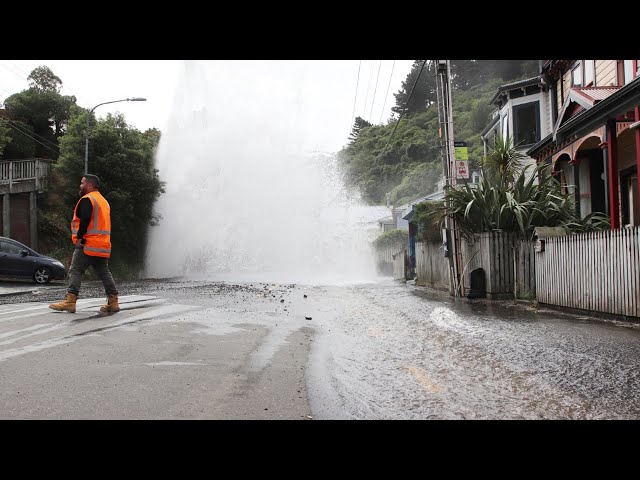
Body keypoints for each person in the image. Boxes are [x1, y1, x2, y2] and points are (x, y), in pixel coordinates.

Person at [49, 174, 120, 314]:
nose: (80, 186)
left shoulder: (88, 199)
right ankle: (113, 302)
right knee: (104, 272)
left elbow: (86, 218)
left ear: (89, 186)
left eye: (82, 183)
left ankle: (70, 301)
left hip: (88, 243)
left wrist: (80, 237)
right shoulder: (103, 201)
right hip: (103, 245)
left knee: (76, 270)